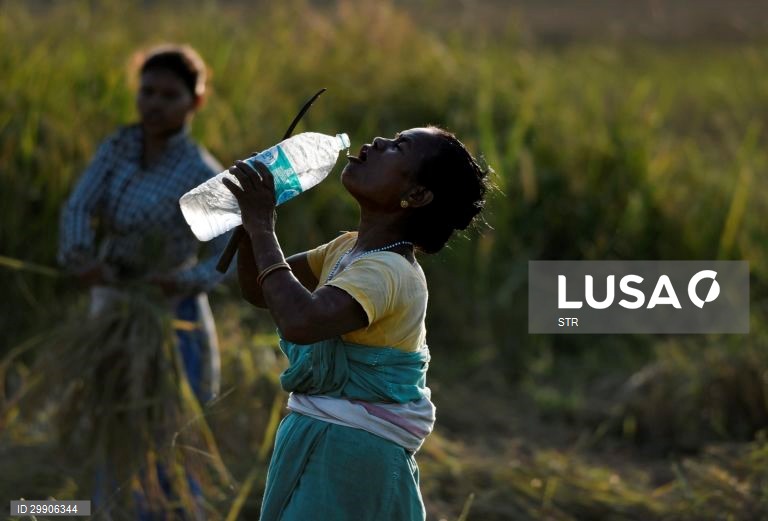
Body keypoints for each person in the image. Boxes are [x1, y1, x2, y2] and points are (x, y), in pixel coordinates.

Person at [223, 125, 490, 520]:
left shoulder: (388, 272)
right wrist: (249, 227)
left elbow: (300, 321)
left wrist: (262, 226)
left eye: (399, 147)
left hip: (352, 458)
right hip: (327, 442)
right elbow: (261, 290)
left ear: (417, 195)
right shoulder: (348, 248)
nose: (379, 142)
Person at [58, 44, 229, 518]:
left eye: (169, 96)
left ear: (195, 102)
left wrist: (179, 282)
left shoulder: (201, 172)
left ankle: (170, 510)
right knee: (113, 417)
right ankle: (108, 509)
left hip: (170, 315)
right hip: (114, 300)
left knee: (169, 424)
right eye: (147, 91)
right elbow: (79, 206)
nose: (154, 104)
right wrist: (80, 257)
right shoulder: (119, 147)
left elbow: (227, 256)